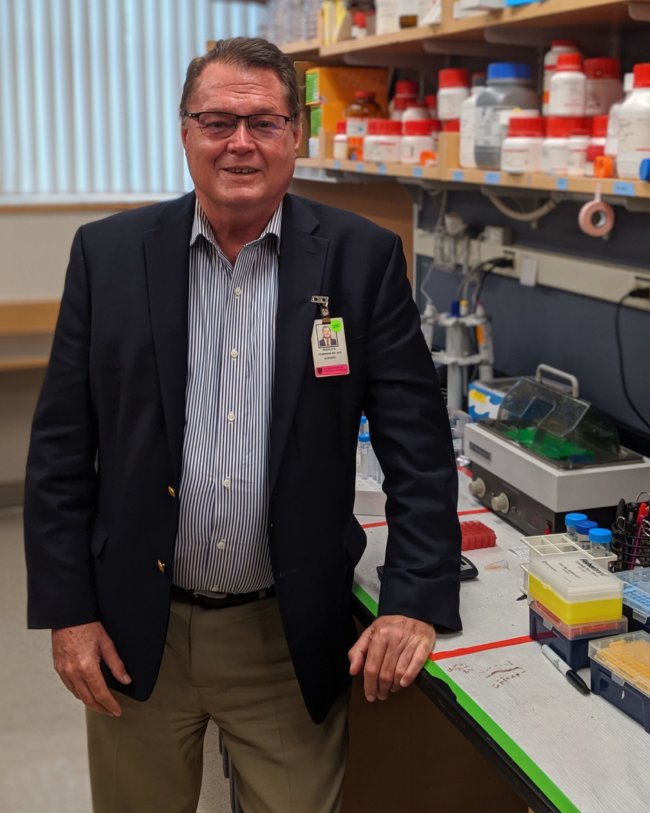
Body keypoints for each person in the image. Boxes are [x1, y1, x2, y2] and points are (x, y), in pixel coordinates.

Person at [24, 37, 461, 813]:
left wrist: (414, 597)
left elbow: (420, 451)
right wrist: (69, 611)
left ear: (297, 134)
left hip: (285, 639)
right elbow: (60, 452)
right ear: (185, 130)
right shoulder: (109, 255)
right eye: (218, 119)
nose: (240, 142)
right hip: (134, 632)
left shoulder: (359, 260)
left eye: (263, 121)